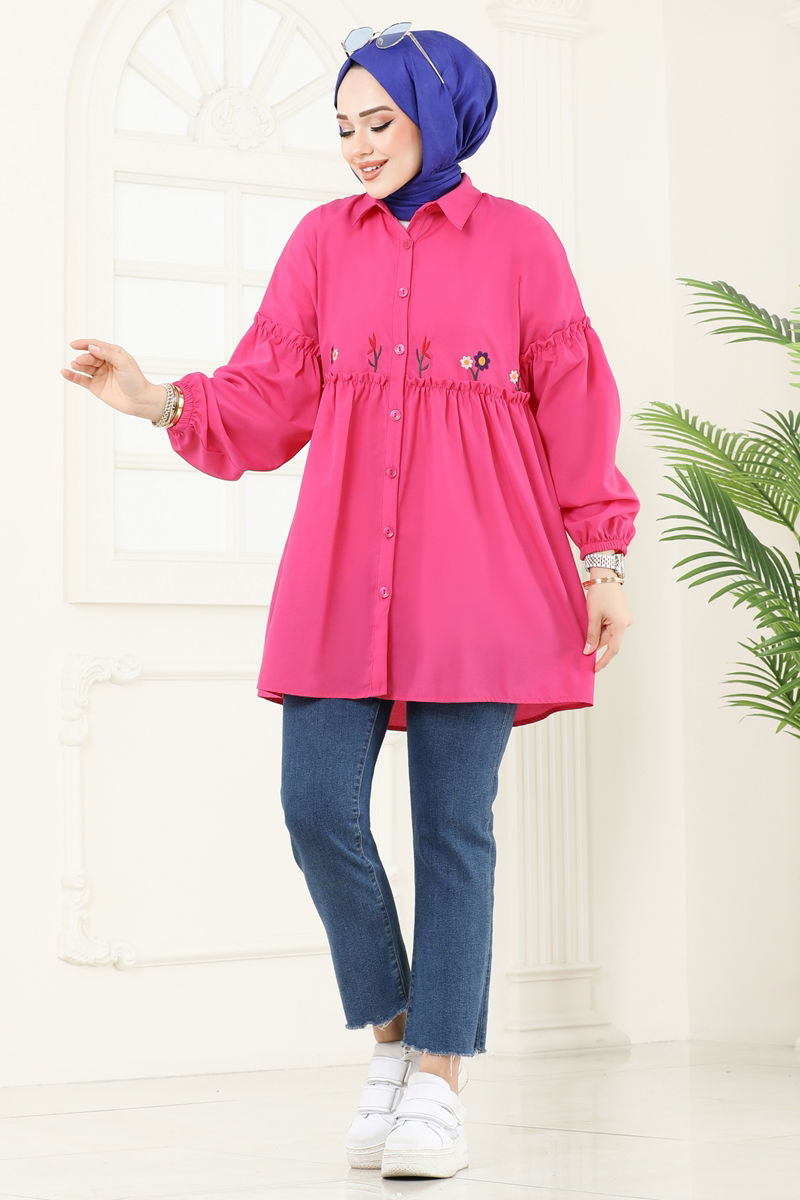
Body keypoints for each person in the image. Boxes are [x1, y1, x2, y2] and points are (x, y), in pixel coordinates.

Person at [61, 23, 639, 1182]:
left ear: (440, 114)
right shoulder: (321, 243)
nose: (357, 146)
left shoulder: (520, 244)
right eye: (341, 127)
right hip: (339, 570)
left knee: (453, 831)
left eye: (378, 121)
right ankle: (393, 1040)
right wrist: (157, 399)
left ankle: (438, 1083)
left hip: (482, 573)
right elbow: (269, 394)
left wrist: (603, 558)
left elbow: (574, 399)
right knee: (315, 807)